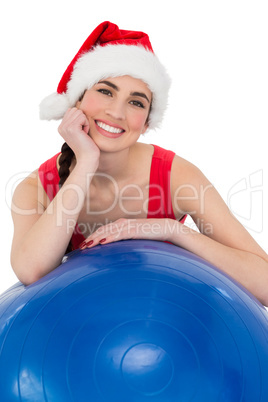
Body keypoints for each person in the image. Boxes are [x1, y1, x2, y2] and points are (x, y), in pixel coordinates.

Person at [10, 21, 268, 306]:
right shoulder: (36, 188)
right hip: (81, 335)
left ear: (146, 123)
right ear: (77, 100)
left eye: (136, 102)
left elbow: (265, 285)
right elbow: (31, 271)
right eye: (105, 91)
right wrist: (86, 162)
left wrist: (172, 230)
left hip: (173, 328)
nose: (117, 112)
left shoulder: (176, 177)